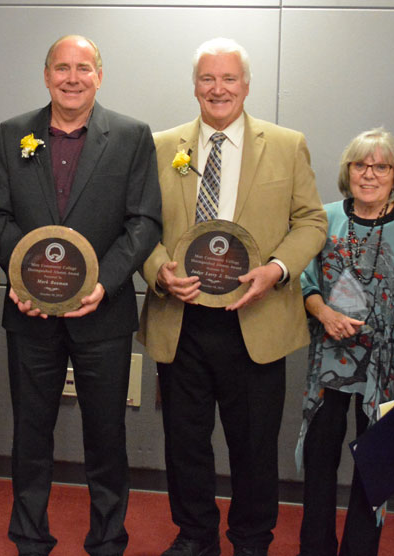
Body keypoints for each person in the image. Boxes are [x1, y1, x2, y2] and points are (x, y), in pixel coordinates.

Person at [137, 37, 326, 556]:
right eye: (207, 79)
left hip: (256, 317)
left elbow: (311, 220)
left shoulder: (287, 144)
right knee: (185, 442)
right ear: (194, 85)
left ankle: (250, 539)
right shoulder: (159, 146)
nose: (217, 89)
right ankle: (195, 535)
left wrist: (278, 270)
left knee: (254, 445)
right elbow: (139, 226)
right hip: (183, 318)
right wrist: (159, 272)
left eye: (228, 79)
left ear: (246, 85)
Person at [0, 34, 162, 556]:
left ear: (99, 76)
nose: (72, 77)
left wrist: (101, 283)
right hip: (30, 312)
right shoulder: (13, 133)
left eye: (83, 67)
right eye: (61, 67)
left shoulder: (131, 136)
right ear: (46, 76)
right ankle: (30, 538)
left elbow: (143, 221)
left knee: (106, 438)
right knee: (30, 436)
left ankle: (108, 540)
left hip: (102, 315)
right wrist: (26, 275)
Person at [295, 128, 394, 556]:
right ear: (348, 171)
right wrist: (323, 312)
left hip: (387, 370)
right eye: (360, 164)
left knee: (371, 469)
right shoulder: (326, 217)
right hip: (328, 363)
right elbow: (304, 278)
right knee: (319, 463)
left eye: (381, 166)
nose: (369, 174)